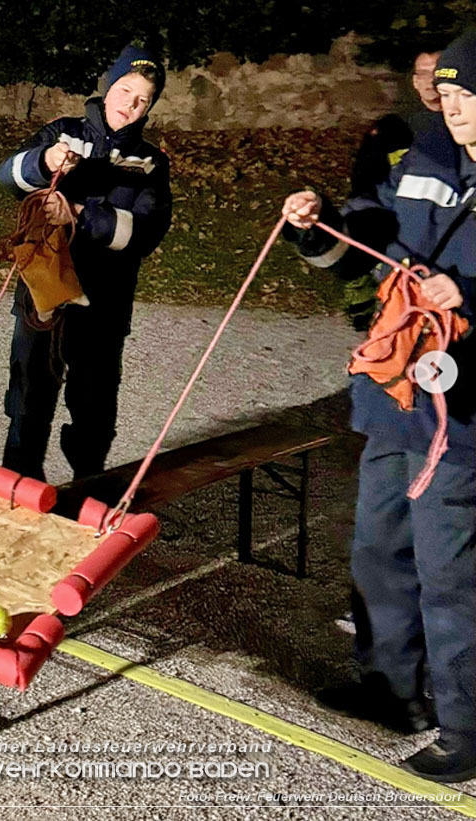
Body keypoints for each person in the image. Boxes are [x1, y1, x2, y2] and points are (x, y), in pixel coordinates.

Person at [281, 28, 476, 783]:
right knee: (376, 551)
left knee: (449, 573)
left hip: (458, 423)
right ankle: (392, 689)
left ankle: (465, 726)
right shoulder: (424, 156)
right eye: (449, 95)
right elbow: (362, 247)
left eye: (469, 97)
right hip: (394, 402)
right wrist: (315, 221)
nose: (454, 109)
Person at [0, 45, 172, 481]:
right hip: (44, 292)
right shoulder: (62, 131)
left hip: (105, 303)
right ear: (108, 87)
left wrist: (78, 215)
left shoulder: (152, 165)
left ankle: (88, 489)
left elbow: (145, 233)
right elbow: (8, 176)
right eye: (125, 90)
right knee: (29, 396)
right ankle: (20, 486)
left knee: (94, 405)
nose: (129, 105)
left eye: (142, 100)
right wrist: (45, 162)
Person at [345, 51, 445, 330]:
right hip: (398, 241)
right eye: (422, 74)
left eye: (436, 72)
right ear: (414, 82)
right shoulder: (396, 129)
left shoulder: (465, 128)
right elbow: (365, 189)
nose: (430, 82)